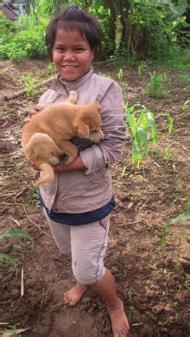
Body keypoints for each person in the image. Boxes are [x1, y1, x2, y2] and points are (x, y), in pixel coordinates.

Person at [28, 5, 129, 337]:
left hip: (88, 203)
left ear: (93, 52)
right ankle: (82, 278)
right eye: (60, 48)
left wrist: (67, 165)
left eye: (78, 48)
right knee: (69, 251)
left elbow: (113, 146)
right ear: (51, 52)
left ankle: (113, 303)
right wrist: (35, 148)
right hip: (53, 201)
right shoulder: (49, 93)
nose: (68, 56)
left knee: (89, 266)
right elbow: (37, 138)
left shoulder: (104, 92)